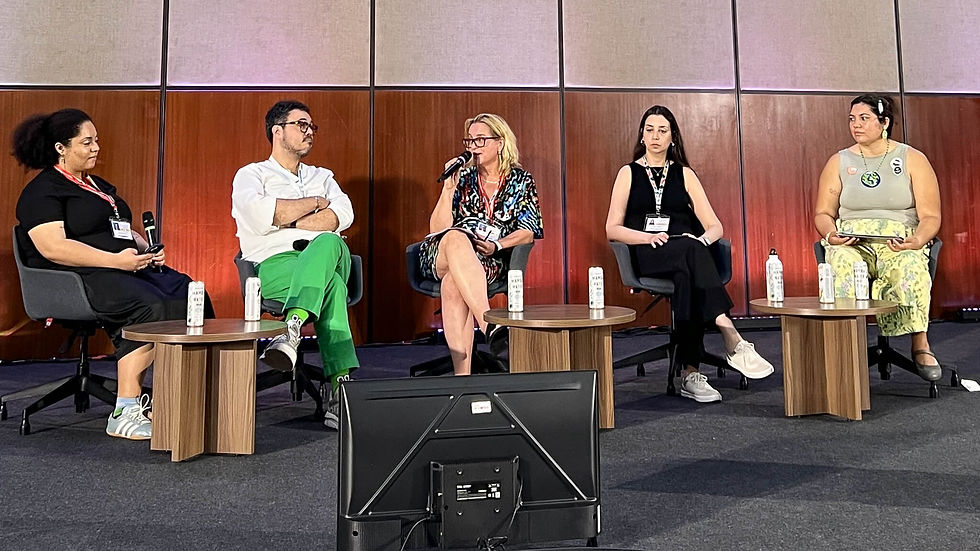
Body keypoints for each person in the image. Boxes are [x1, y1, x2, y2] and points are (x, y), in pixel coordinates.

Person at [12, 108, 213, 440]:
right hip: (77, 276)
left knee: (188, 292)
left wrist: (143, 247)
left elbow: (118, 230)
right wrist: (116, 261)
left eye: (96, 141)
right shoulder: (43, 191)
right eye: (86, 142)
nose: (95, 148)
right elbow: (53, 248)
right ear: (61, 148)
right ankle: (125, 408)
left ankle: (181, 395)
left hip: (121, 266)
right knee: (151, 305)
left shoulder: (96, 184)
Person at [605, 105, 774, 403]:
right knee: (689, 253)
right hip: (648, 253)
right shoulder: (627, 173)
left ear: (673, 138)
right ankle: (729, 333)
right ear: (642, 135)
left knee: (687, 273)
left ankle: (690, 374)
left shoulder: (685, 174)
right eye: (649, 129)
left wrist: (699, 241)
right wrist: (647, 237)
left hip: (686, 255)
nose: (655, 136)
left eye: (662, 130)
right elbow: (613, 228)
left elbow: (715, 227)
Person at [231, 100, 357, 429]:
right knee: (333, 288)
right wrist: (314, 205)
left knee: (328, 241)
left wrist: (288, 221)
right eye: (302, 125)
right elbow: (261, 215)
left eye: (312, 126)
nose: (310, 132)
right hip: (275, 265)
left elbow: (342, 216)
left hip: (328, 255)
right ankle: (338, 389)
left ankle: (292, 328)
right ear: (278, 131)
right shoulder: (251, 175)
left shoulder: (323, 176)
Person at [814, 94, 942, 381]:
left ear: (884, 122)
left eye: (864, 118)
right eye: (852, 119)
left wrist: (918, 239)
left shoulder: (912, 158)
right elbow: (823, 212)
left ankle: (919, 342)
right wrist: (830, 233)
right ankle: (845, 345)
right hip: (852, 241)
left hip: (898, 240)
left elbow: (931, 216)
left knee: (908, 265)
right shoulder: (839, 161)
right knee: (842, 263)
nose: (855, 126)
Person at [420, 113, 544, 375]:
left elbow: (528, 231)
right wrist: (448, 189)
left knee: (453, 282)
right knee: (454, 237)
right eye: (470, 141)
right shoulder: (462, 179)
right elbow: (437, 231)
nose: (473, 147)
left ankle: (461, 378)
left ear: (500, 143)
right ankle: (491, 326)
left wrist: (498, 245)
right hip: (442, 254)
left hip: (487, 259)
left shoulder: (521, 181)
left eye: (480, 140)